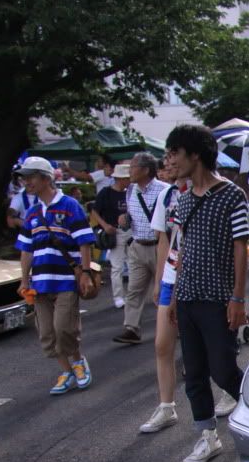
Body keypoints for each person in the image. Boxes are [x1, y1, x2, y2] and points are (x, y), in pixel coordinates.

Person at [165, 124, 249, 462]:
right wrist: (172, 294)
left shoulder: (232, 195)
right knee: (194, 372)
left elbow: (240, 248)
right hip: (187, 297)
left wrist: (239, 298)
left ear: (194, 154)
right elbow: (181, 248)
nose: (169, 160)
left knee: (223, 369)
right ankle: (207, 436)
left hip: (218, 298)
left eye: (174, 153)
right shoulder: (183, 200)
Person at [13, 157, 95, 395]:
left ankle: (78, 362)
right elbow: (26, 250)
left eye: (31, 176)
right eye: (24, 177)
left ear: (46, 178)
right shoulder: (31, 212)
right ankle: (66, 371)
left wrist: (86, 273)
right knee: (47, 332)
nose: (26, 181)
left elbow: (84, 242)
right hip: (40, 283)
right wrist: (24, 280)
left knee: (64, 328)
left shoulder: (69, 205)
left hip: (66, 280)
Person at [112, 153, 168, 344]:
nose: (129, 171)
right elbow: (130, 218)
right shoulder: (130, 191)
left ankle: (174, 326)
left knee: (166, 289)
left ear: (145, 170)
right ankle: (131, 328)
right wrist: (124, 221)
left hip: (160, 248)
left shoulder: (165, 191)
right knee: (134, 289)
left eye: (133, 167)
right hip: (137, 246)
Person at [90, 164, 131, 309]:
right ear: (121, 179)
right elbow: (94, 211)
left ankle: (130, 295)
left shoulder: (131, 192)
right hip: (115, 231)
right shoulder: (106, 193)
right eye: (127, 178)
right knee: (117, 266)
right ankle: (118, 296)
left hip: (131, 231)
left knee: (133, 265)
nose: (129, 180)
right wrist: (105, 225)